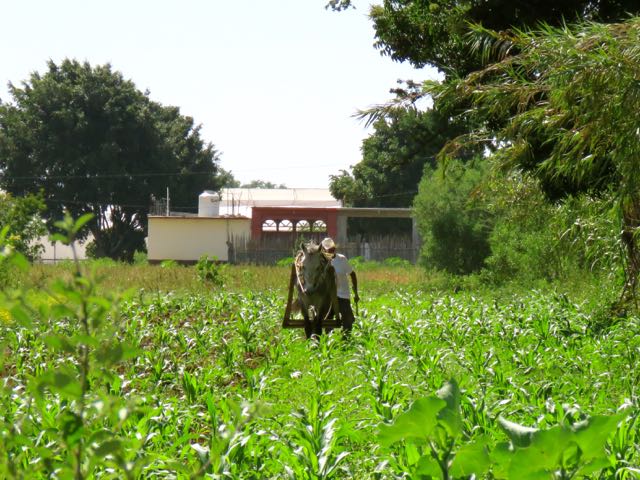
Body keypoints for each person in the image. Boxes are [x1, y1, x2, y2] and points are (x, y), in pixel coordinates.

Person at [320, 237, 359, 333]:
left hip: (342, 295)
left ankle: (346, 340)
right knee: (327, 321)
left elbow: (352, 274)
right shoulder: (321, 262)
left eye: (332, 249)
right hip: (328, 296)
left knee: (348, 320)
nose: (331, 251)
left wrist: (356, 292)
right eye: (328, 250)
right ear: (324, 250)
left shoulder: (341, 259)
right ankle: (330, 342)